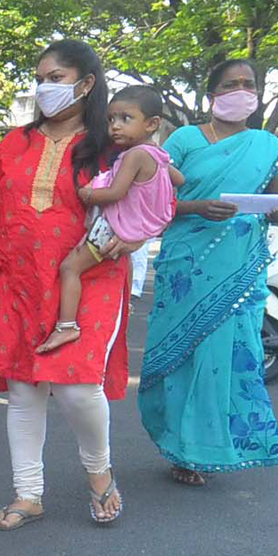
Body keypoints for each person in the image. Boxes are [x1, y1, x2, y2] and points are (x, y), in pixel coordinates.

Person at [0, 40, 137, 529]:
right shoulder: (15, 143)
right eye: (41, 77)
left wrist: (134, 237)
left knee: (78, 388)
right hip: (16, 279)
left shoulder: (114, 145)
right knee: (24, 392)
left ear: (86, 84)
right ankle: (29, 494)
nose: (45, 87)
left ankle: (99, 472)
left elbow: (153, 197)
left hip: (89, 276)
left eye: (57, 77)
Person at [139, 59, 278, 487]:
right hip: (187, 265)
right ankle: (181, 448)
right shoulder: (185, 139)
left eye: (248, 84)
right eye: (230, 85)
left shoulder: (268, 146)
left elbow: (277, 209)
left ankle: (211, 449)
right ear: (212, 95)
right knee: (183, 356)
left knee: (228, 357)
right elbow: (154, 200)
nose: (240, 91)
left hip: (241, 269)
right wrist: (196, 207)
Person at [38, 85, 183, 354]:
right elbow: (179, 179)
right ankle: (124, 302)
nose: (115, 127)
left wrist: (87, 194)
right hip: (135, 230)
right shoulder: (158, 154)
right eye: (111, 120)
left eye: (125, 119)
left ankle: (66, 325)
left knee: (70, 268)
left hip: (112, 227)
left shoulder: (135, 155)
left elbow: (115, 192)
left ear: (152, 123)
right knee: (122, 263)